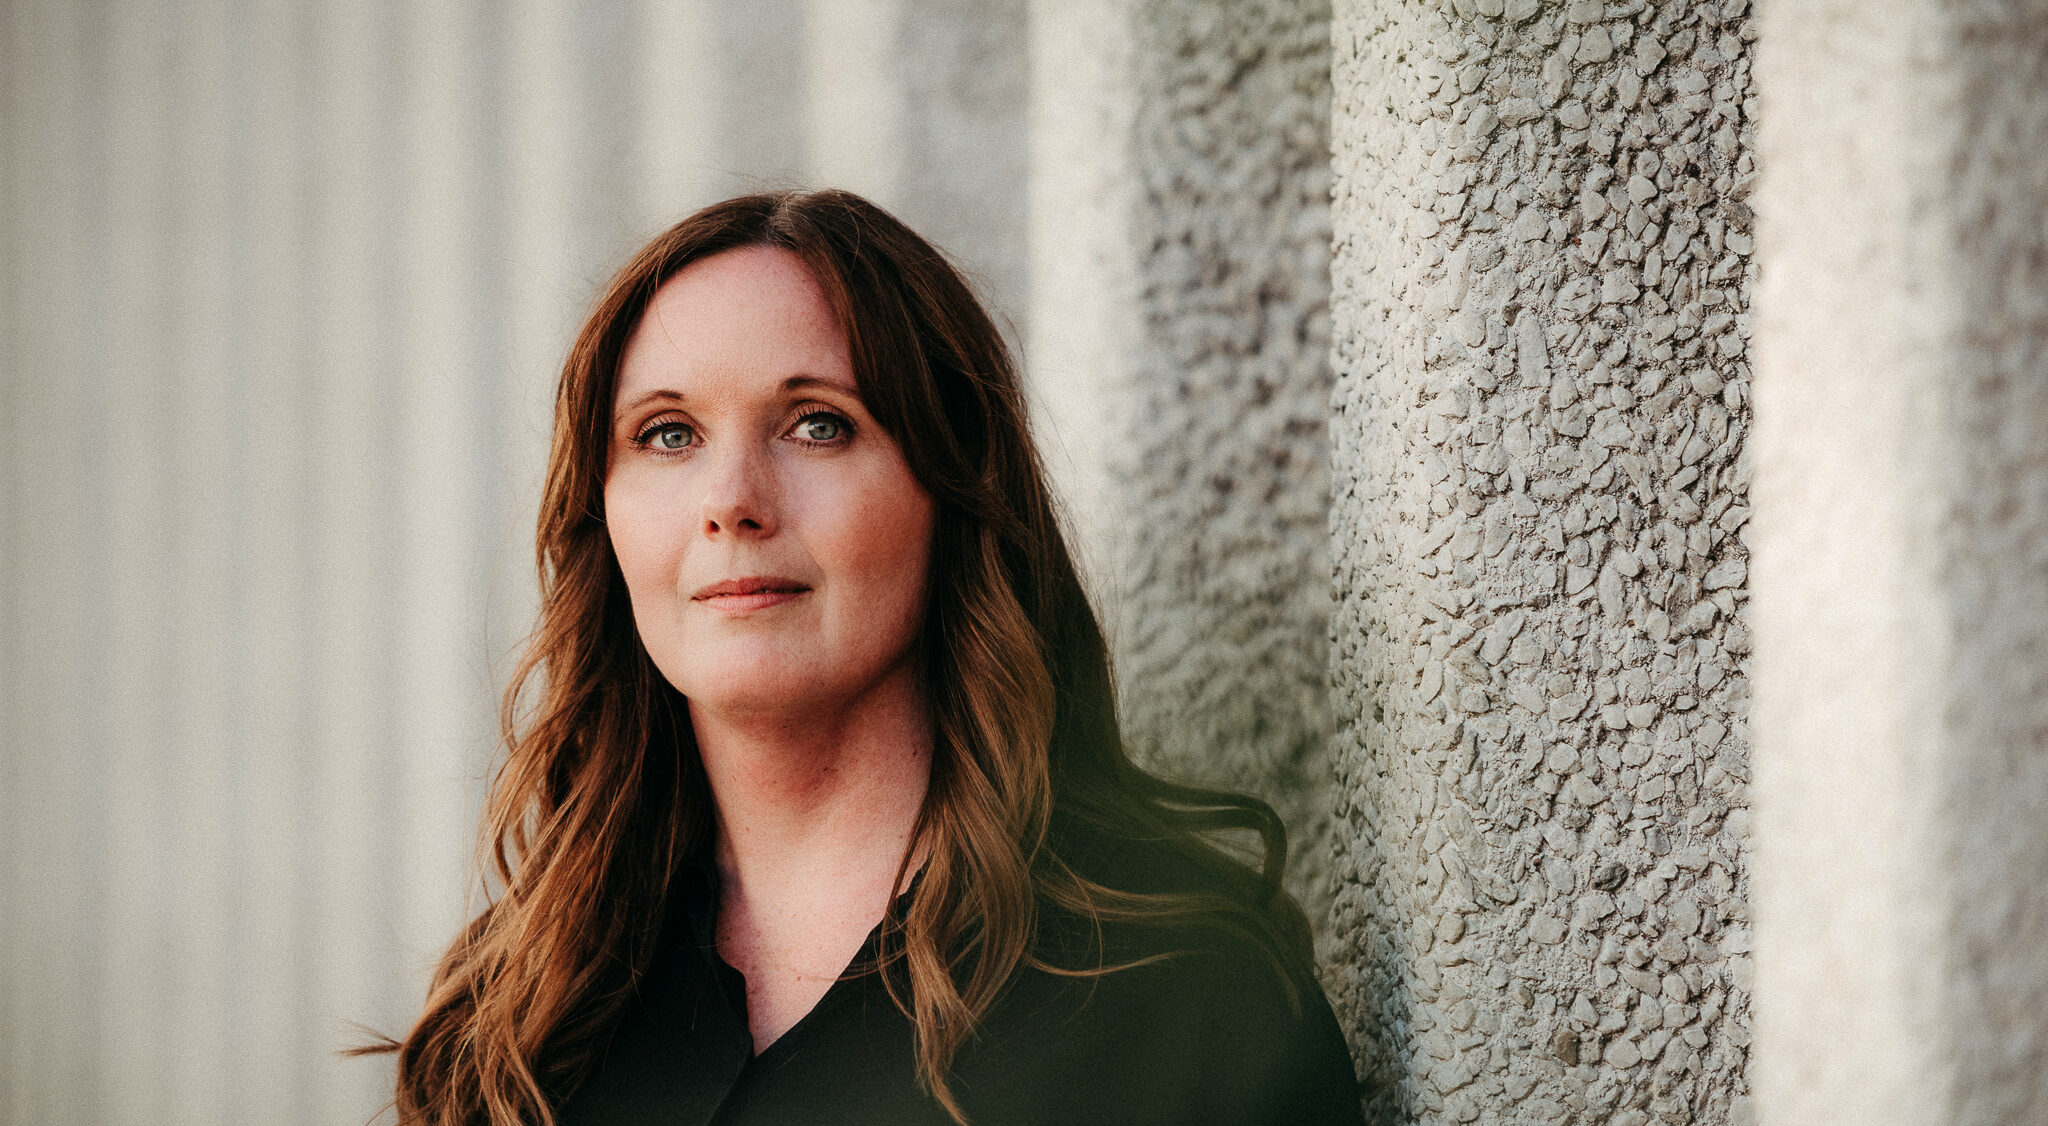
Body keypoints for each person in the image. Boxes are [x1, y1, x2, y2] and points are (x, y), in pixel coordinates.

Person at [384, 189, 1364, 1125]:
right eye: (668, 434)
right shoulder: (516, 1020)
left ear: (952, 489)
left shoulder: (1179, 999)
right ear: (605, 518)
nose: (731, 501)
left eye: (818, 424)